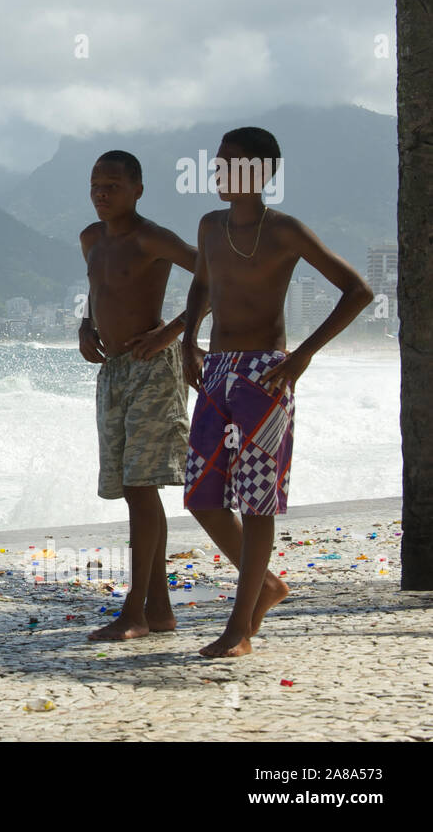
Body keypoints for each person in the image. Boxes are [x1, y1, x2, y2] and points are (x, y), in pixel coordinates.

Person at [182, 127, 373, 657]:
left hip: (266, 375)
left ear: (262, 173)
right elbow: (202, 283)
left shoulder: (285, 230)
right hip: (216, 369)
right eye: (216, 163)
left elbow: (358, 291)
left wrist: (304, 354)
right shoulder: (209, 226)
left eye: (230, 163)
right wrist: (188, 343)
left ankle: (239, 627)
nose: (217, 172)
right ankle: (265, 585)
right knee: (200, 494)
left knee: (256, 502)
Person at [79, 150, 199, 641]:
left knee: (141, 487)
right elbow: (98, 290)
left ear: (137, 190)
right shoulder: (91, 238)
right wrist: (85, 325)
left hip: (152, 369)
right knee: (134, 490)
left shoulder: (152, 237)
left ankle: (135, 611)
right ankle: (159, 611)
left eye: (112, 185)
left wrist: (173, 332)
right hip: (114, 371)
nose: (102, 194)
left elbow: (212, 277)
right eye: (95, 185)